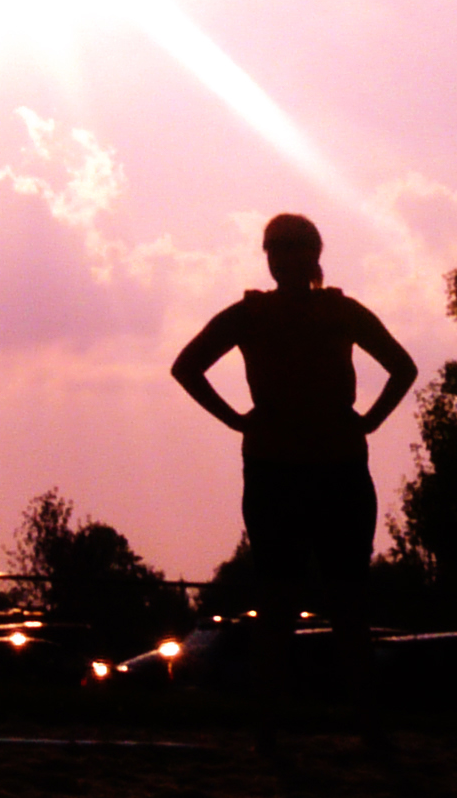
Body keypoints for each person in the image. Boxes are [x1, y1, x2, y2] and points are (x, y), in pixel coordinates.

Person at [170, 214, 415, 718]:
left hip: (334, 464)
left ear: (314, 255)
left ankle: (363, 722)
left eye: (294, 248)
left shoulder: (338, 311)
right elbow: (187, 366)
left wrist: (367, 422)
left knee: (345, 600)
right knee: (279, 601)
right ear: (268, 257)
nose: (284, 259)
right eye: (276, 250)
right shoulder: (252, 314)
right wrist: (236, 420)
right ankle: (271, 726)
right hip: (278, 466)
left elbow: (402, 367)